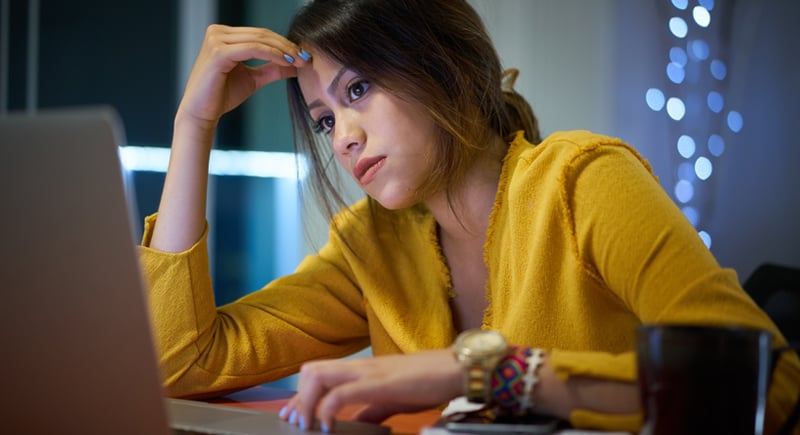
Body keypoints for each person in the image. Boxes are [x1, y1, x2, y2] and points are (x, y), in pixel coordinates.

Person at [138, 0, 800, 433]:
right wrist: (193, 125)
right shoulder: (372, 245)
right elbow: (178, 365)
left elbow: (767, 387)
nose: (342, 138)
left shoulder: (584, 181)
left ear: (444, 68)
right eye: (325, 120)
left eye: (358, 89)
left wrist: (482, 373)